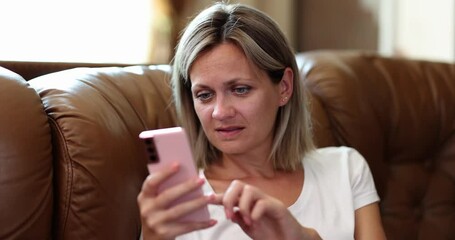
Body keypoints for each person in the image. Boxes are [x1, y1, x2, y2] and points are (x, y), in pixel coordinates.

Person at [138, 2, 387, 240]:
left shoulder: (345, 170)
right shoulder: (182, 205)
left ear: (284, 87)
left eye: (240, 89)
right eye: (204, 95)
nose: (220, 112)